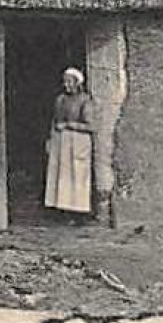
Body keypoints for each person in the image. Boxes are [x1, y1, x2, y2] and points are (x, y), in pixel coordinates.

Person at [43, 67, 95, 219]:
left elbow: (91, 126)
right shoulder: (60, 99)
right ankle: (64, 212)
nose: (66, 85)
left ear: (77, 83)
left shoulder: (85, 100)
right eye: (65, 82)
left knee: (77, 176)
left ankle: (79, 214)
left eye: (70, 82)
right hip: (61, 142)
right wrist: (50, 139)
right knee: (62, 177)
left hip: (78, 142)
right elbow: (54, 121)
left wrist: (69, 125)